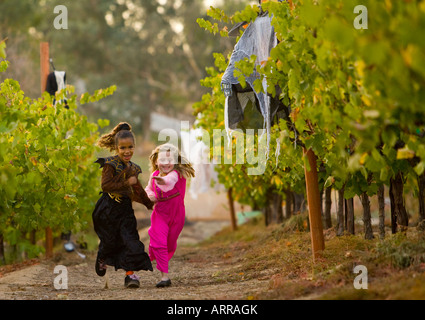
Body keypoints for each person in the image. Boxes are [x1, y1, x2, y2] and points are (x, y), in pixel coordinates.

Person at [92, 122, 154, 289]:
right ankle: (102, 256)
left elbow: (137, 190)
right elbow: (105, 186)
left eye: (130, 147)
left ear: (134, 146)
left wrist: (150, 203)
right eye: (123, 148)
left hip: (125, 210)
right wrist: (127, 182)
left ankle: (130, 276)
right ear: (116, 148)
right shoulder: (110, 165)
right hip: (108, 209)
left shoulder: (134, 168)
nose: (127, 151)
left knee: (131, 242)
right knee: (111, 241)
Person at [145, 143, 195, 287]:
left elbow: (169, 182)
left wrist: (162, 181)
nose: (166, 164)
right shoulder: (154, 175)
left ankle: (158, 255)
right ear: (156, 161)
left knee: (170, 243)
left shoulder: (176, 174)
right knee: (158, 240)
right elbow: (148, 189)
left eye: (170, 160)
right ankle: (164, 277)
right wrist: (150, 195)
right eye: (163, 160)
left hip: (176, 215)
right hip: (160, 212)